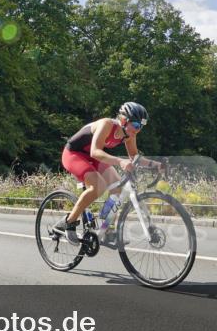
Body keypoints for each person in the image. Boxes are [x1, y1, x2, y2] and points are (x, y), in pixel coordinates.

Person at [55, 102, 162, 239]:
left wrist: (156, 165)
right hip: (74, 154)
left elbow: (135, 157)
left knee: (118, 186)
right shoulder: (106, 124)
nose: (138, 129)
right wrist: (120, 161)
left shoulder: (129, 134)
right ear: (124, 120)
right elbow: (95, 151)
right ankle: (69, 222)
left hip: (94, 156)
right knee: (97, 187)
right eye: (136, 125)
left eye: (141, 126)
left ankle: (106, 226)